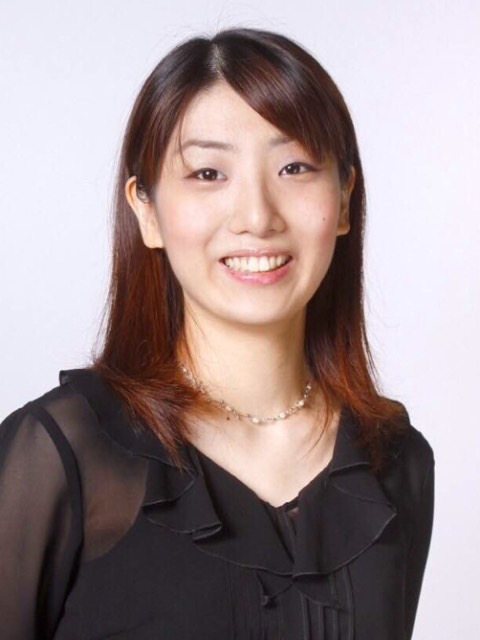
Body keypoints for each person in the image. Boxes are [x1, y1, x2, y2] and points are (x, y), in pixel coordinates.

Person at [0, 27, 434, 640]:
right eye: (208, 173)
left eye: (294, 167)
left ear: (343, 199)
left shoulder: (396, 464)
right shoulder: (63, 454)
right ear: (147, 210)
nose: (256, 217)